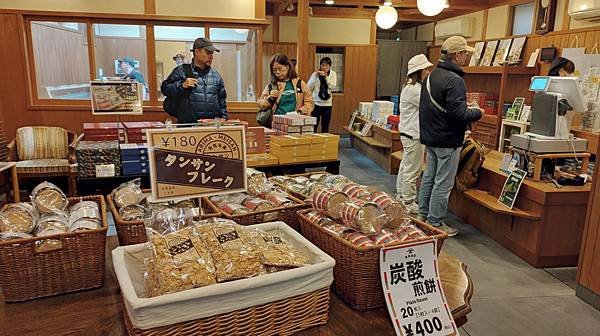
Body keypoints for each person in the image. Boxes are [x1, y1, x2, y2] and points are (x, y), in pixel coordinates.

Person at [418, 36, 483, 236]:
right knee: (443, 183)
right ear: (458, 55)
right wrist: (478, 112)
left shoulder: (431, 76)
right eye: (465, 53)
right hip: (447, 139)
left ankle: (422, 216)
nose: (467, 57)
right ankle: (435, 223)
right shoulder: (455, 81)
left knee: (429, 176)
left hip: (430, 136)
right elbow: (460, 114)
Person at [395, 54, 433, 214]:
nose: (428, 71)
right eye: (426, 69)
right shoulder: (415, 90)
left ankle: (401, 194)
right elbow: (431, 106)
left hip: (407, 132)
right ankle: (408, 201)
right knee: (413, 169)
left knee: (406, 165)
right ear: (419, 71)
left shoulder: (409, 87)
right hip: (414, 134)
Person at [160, 37, 227, 123]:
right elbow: (165, 88)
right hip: (188, 127)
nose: (211, 56)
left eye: (212, 53)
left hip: (211, 128)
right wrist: (182, 85)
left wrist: (224, 120)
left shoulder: (216, 76)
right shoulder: (181, 71)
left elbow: (222, 101)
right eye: (207, 52)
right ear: (196, 52)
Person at [258, 54, 314, 121]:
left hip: (295, 122)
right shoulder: (271, 86)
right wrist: (269, 98)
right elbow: (261, 105)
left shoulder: (300, 84)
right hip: (276, 122)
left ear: (287, 67)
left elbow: (309, 103)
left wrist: (299, 112)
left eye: (280, 68)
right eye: (274, 70)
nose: (277, 72)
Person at [308, 57, 337, 133]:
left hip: (327, 105)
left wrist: (326, 77)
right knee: (314, 126)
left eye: (326, 65)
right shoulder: (315, 74)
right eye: (322, 65)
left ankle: (324, 143)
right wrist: (315, 77)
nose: (324, 67)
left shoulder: (333, 74)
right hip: (316, 104)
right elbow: (308, 87)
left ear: (329, 66)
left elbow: (332, 87)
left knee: (325, 126)